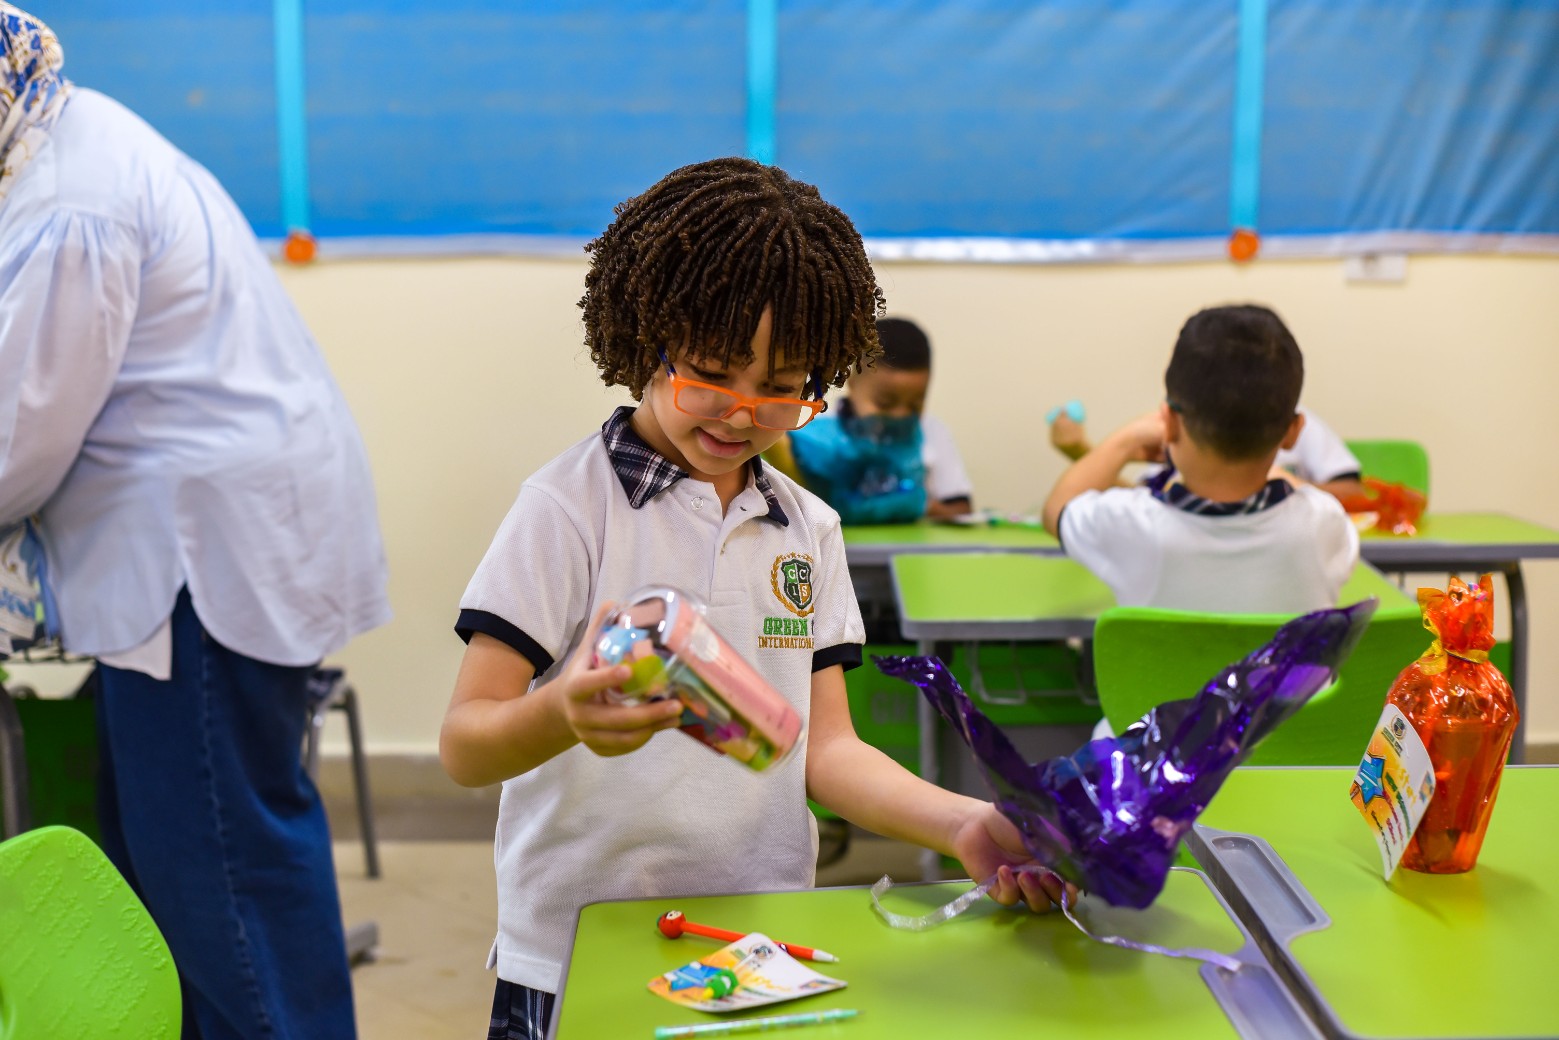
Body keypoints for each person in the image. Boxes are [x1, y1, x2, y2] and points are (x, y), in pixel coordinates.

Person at [440, 157, 1073, 1040]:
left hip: (754, 947)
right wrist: (561, 713)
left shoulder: (807, 528)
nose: (740, 414)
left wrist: (964, 822)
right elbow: (466, 746)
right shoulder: (567, 509)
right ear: (646, 341)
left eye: (781, 390)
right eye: (709, 373)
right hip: (576, 952)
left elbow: (824, 750)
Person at [0, 6, 391, 1036]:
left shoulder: (69, 201)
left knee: (219, 873)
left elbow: (16, 442)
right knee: (171, 858)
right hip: (209, 542)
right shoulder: (70, 137)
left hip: (196, 563)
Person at [1042, 304, 1359, 615]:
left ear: (1168, 422)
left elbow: (1058, 508)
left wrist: (1126, 441)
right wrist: (1277, 473)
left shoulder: (1130, 523)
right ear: (1293, 432)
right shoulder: (1323, 523)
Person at [778, 316, 973, 523]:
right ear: (852, 381)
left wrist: (916, 504)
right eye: (885, 403)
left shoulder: (931, 433)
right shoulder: (817, 436)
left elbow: (962, 509)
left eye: (915, 405)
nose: (900, 415)